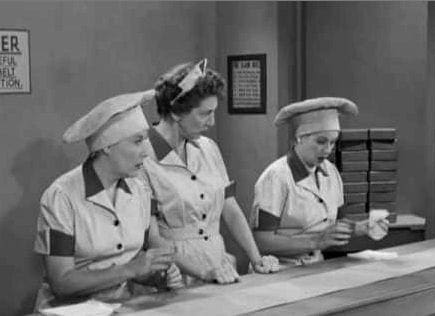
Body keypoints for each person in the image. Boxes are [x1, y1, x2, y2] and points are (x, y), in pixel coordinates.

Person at [33, 90, 183, 310]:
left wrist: (155, 275)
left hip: (123, 306)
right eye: (137, 141)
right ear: (107, 147)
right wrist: (131, 269)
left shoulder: (140, 190)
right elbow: (61, 282)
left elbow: (133, 262)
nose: (146, 152)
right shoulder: (61, 197)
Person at [141, 59, 279, 285]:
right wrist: (202, 273)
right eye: (205, 114)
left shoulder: (208, 148)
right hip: (174, 275)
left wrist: (257, 259)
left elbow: (230, 208)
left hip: (219, 268)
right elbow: (153, 238)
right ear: (176, 112)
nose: (212, 122)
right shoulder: (143, 157)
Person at [251, 97, 389, 266]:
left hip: (316, 266)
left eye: (333, 142)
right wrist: (315, 241)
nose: (328, 150)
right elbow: (261, 240)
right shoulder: (276, 177)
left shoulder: (331, 172)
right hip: (279, 270)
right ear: (298, 139)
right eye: (321, 141)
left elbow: (338, 225)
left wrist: (362, 227)